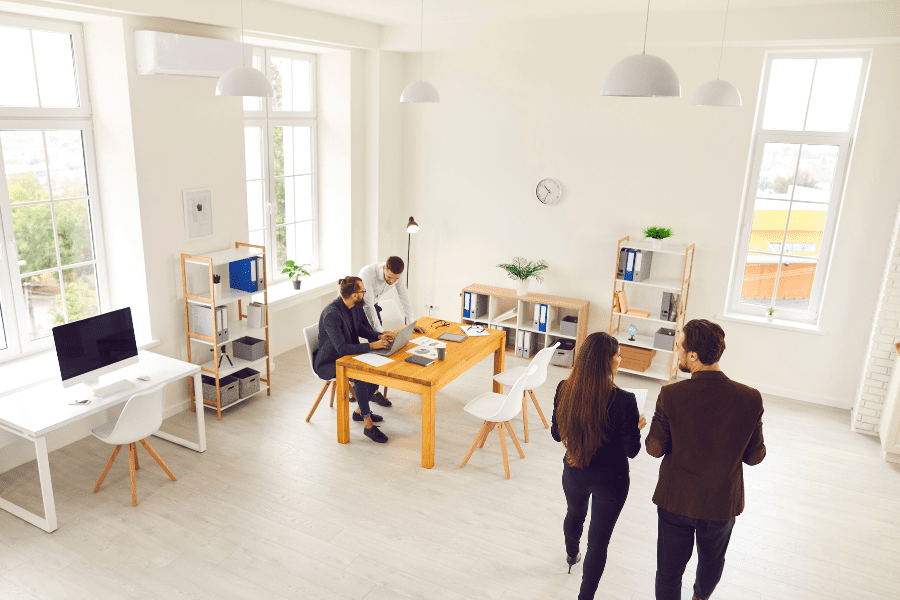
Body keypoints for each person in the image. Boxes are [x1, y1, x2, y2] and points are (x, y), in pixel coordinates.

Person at [645, 319, 766, 600]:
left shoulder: (671, 394)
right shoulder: (750, 398)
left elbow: (654, 449)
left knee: (668, 571)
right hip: (720, 503)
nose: (676, 353)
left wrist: (650, 423)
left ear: (693, 356)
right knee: (712, 563)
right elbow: (754, 457)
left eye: (678, 348)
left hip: (676, 500)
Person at [551, 332, 647, 600]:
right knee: (599, 541)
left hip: (574, 471)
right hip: (612, 480)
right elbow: (632, 450)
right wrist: (635, 427)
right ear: (607, 361)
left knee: (574, 513)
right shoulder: (626, 401)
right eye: (617, 354)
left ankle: (571, 553)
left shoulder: (563, 388)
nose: (620, 358)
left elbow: (557, 435)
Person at [313, 276, 396, 443]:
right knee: (360, 377)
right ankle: (368, 425)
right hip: (330, 362)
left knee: (376, 371)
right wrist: (373, 346)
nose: (364, 294)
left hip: (349, 357)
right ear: (353, 295)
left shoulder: (355, 307)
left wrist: (379, 335)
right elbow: (342, 349)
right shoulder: (331, 314)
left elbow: (361, 329)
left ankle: (359, 412)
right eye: (362, 291)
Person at [357, 256, 425, 408]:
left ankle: (372, 390)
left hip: (373, 306)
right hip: (358, 309)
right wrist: (380, 334)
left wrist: (410, 321)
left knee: (381, 351)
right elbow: (367, 306)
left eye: (396, 278)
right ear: (384, 268)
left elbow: (404, 296)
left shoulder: (396, 276)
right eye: (389, 277)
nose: (392, 281)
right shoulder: (367, 274)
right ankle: (360, 387)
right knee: (372, 349)